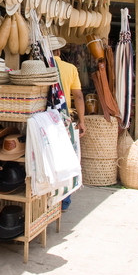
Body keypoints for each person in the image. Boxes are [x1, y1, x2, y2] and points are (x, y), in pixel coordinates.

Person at [50, 35, 85, 211]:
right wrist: (82, 121)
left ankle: (46, 199)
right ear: (58, 51)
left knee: (48, 160)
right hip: (64, 119)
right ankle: (64, 201)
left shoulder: (40, 68)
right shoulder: (70, 68)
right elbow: (78, 96)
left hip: (43, 120)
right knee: (65, 160)